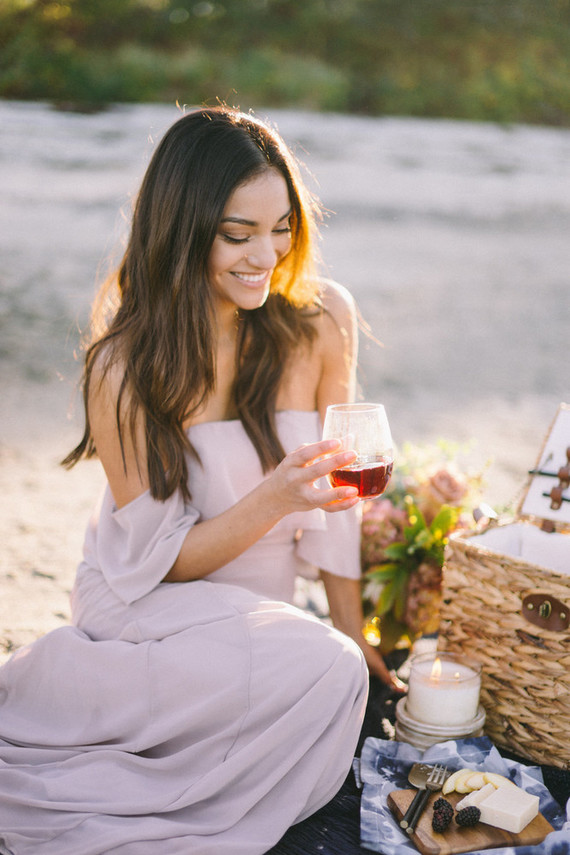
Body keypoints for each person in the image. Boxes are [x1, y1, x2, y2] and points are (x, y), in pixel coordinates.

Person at [0, 106, 397, 855]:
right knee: (320, 668)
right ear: (182, 230)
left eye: (281, 227)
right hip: (148, 602)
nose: (267, 255)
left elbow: (342, 498)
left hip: (262, 618)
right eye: (236, 234)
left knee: (337, 668)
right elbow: (162, 560)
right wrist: (276, 495)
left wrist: (355, 626)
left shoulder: (321, 322)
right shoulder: (125, 368)